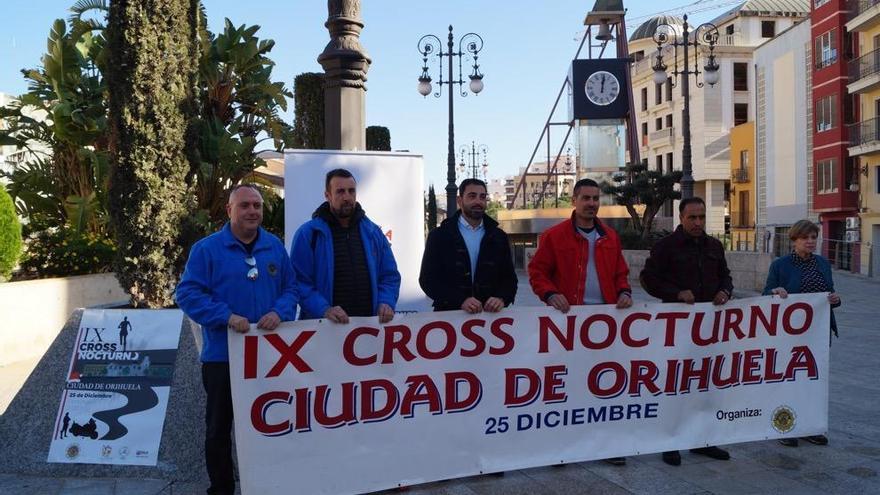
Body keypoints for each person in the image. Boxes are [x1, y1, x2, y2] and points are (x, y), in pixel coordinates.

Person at [176, 184, 297, 495]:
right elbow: (187, 294)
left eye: (256, 205)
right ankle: (222, 489)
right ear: (229, 210)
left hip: (269, 357)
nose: (252, 211)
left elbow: (291, 289)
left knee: (270, 424)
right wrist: (225, 316)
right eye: (244, 205)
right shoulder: (206, 250)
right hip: (222, 358)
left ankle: (271, 484)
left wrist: (279, 312)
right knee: (219, 428)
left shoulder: (274, 247)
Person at [528, 178, 632, 466]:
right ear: (573, 200)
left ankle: (607, 445)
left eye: (595, 198)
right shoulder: (554, 236)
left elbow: (620, 273)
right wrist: (550, 294)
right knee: (567, 386)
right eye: (585, 198)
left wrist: (624, 291)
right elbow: (537, 272)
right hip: (568, 324)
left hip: (606, 325)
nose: (591, 203)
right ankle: (563, 445)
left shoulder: (611, 237)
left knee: (605, 385)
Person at [640, 196, 733, 467]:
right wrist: (676, 293)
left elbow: (725, 275)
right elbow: (648, 279)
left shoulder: (714, 245)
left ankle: (703, 440)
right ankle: (670, 442)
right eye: (692, 217)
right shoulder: (665, 247)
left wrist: (725, 291)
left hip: (709, 328)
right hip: (677, 327)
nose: (698, 222)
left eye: (702, 217)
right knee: (676, 385)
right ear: (681, 218)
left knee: (706, 385)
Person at [763, 219, 840, 447]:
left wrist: (836, 299)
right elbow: (766, 293)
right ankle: (784, 427)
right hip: (789, 335)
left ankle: (810, 427)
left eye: (814, 237)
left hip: (817, 333)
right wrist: (776, 292)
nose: (810, 241)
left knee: (813, 382)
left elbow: (829, 294)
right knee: (789, 381)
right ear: (794, 239)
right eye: (805, 237)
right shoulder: (781, 265)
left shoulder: (822, 264)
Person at [291, 168, 400, 323]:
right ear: (327, 195)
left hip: (369, 328)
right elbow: (299, 282)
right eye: (340, 191)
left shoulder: (373, 232)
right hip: (325, 330)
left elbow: (389, 275)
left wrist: (386, 301)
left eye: (351, 191)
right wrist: (324, 309)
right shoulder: (308, 234)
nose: (347, 197)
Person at [419, 178, 517, 313]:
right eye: (472, 196)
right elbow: (428, 280)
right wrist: (460, 300)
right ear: (460, 200)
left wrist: (501, 298)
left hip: (490, 319)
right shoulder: (439, 236)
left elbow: (509, 279)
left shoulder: (499, 236)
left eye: (482, 197)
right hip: (449, 317)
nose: (478, 201)